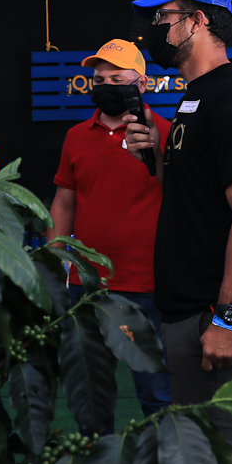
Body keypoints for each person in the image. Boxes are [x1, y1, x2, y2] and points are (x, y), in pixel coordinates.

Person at [125, 0, 232, 464]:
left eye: (164, 18)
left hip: (216, 315)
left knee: (206, 462)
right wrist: (158, 152)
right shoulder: (194, 98)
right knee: (221, 458)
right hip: (190, 312)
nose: (154, 29)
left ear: (197, 21)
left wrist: (229, 317)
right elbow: (198, 195)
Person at [48, 39, 172, 427]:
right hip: (87, 288)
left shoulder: (167, 133)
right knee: (91, 398)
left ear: (143, 84)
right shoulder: (76, 136)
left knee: (157, 396)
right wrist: (55, 265)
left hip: (148, 286)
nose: (104, 84)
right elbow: (64, 203)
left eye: (116, 78)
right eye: (98, 78)